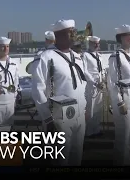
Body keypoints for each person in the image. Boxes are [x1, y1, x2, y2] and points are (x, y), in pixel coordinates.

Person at [30, 19, 87, 166]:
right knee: (60, 160)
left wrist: (85, 107)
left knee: (77, 157)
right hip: (58, 118)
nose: (76, 35)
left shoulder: (78, 57)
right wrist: (47, 119)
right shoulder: (46, 57)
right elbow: (38, 89)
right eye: (71, 32)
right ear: (59, 36)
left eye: (75, 31)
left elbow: (82, 84)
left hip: (79, 115)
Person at [107, 24, 130, 166]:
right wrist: (119, 101)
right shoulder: (115, 57)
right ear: (121, 38)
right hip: (124, 100)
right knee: (123, 137)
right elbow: (112, 82)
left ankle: (129, 161)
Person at [83, 36, 104, 137]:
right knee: (90, 108)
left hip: (100, 84)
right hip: (91, 85)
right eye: (94, 44)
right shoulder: (85, 55)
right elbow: (85, 71)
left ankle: (96, 128)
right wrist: (94, 82)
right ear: (90, 44)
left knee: (98, 107)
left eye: (98, 44)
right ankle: (89, 131)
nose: (96, 45)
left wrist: (102, 80)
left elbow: (101, 70)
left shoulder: (99, 56)